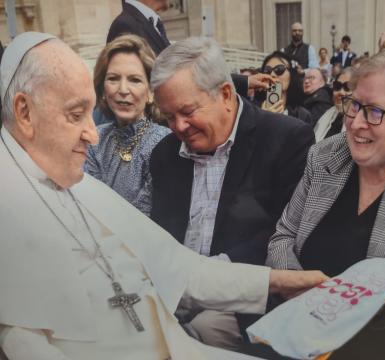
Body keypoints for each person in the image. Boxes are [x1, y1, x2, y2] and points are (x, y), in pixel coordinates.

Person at [0, 31, 328, 360]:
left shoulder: (81, 186)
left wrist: (281, 280)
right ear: (24, 113)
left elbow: (180, 269)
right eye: (75, 115)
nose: (92, 134)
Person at [266, 47, 385, 360]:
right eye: (354, 105)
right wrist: (302, 296)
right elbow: (283, 235)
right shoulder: (326, 154)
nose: (355, 124)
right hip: (294, 324)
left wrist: (337, 310)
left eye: (374, 111)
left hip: (374, 340)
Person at [148, 37, 315, 352]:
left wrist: (210, 280)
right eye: (169, 117)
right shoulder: (165, 154)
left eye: (187, 111)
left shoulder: (285, 139)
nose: (178, 126)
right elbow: (161, 237)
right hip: (175, 292)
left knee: (195, 333)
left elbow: (285, 233)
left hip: (244, 299)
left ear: (225, 94)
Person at [85, 35, 170, 216]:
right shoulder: (94, 140)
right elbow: (90, 205)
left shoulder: (164, 143)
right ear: (102, 89)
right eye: (113, 78)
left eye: (135, 80)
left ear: (151, 92)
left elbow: (144, 218)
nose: (123, 90)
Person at [258, 51, 311, 123]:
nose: (272, 74)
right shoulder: (252, 110)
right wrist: (263, 119)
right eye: (267, 71)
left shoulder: (302, 115)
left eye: (279, 69)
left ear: (291, 75)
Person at [314, 67, 354, 142]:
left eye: (347, 87)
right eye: (337, 86)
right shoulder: (328, 115)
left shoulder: (359, 125)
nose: (341, 92)